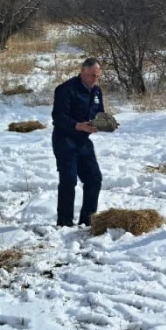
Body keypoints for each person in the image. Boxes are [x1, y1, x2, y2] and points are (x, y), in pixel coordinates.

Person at [51, 58, 105, 227]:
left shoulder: (96, 92)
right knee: (69, 180)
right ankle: (64, 222)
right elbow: (58, 117)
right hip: (65, 139)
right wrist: (77, 125)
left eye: (97, 76)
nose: (93, 80)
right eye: (91, 76)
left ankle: (88, 220)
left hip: (83, 140)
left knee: (94, 178)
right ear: (82, 71)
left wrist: (104, 123)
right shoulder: (66, 89)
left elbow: (100, 114)